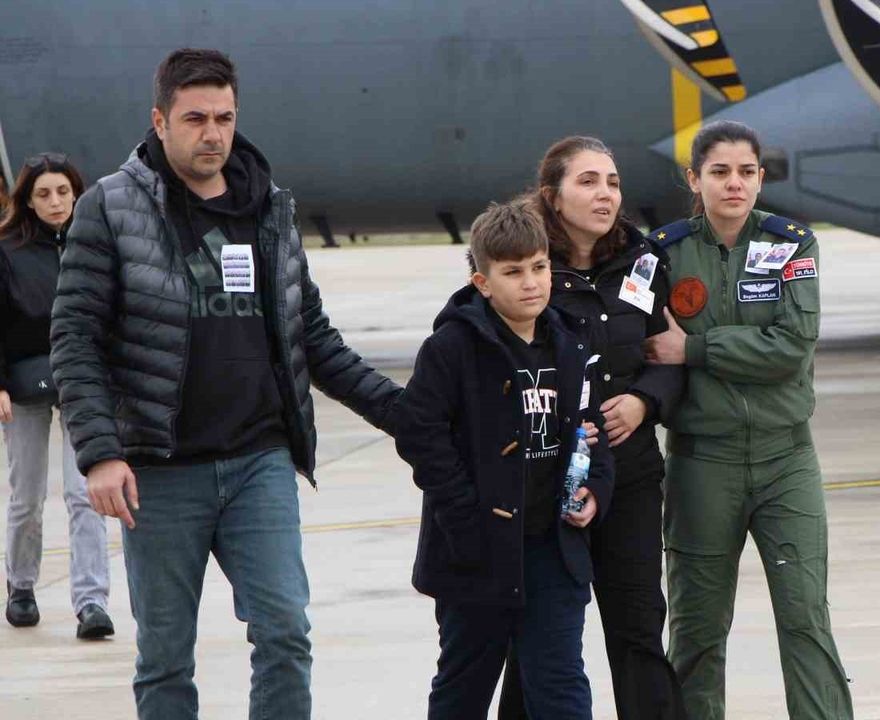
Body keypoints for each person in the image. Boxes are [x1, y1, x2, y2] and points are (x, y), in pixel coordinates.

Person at [49, 49, 401, 719]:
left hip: (257, 462)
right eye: (195, 119)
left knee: (285, 631)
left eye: (224, 118)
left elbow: (312, 336)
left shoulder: (269, 207)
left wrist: (405, 414)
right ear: (160, 120)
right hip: (159, 471)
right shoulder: (108, 208)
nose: (212, 134)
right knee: (165, 658)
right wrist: (100, 450)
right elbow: (75, 339)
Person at [644, 120, 854, 720]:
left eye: (746, 171)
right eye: (719, 171)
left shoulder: (793, 245)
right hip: (700, 463)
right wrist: (732, 346)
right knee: (695, 632)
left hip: (786, 460)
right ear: (695, 179)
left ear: (761, 178)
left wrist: (697, 349)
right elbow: (645, 349)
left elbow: (793, 347)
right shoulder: (662, 254)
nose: (734, 183)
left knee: (806, 617)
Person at [393, 199, 614, 719]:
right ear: (482, 282)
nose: (530, 282)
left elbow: (594, 429)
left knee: (560, 683)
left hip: (552, 550)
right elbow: (419, 433)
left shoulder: (571, 344)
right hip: (475, 553)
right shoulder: (452, 347)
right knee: (465, 685)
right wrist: (466, 518)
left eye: (538, 267)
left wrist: (595, 492)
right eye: (512, 272)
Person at [498, 137, 686, 720]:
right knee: (545, 641)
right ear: (552, 196)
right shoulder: (526, 268)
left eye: (612, 181)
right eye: (588, 182)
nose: (605, 194)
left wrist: (643, 403)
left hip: (628, 476)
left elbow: (669, 356)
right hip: (547, 481)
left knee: (638, 629)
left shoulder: (645, 262)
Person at [1, 153, 114, 638]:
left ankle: (91, 602)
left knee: (83, 492)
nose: (55, 202)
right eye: (43, 193)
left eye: (63, 192)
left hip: (86, 382)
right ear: (27, 199)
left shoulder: (96, 244)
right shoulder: (6, 250)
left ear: (76, 193)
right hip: (25, 382)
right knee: (26, 494)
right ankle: (21, 585)